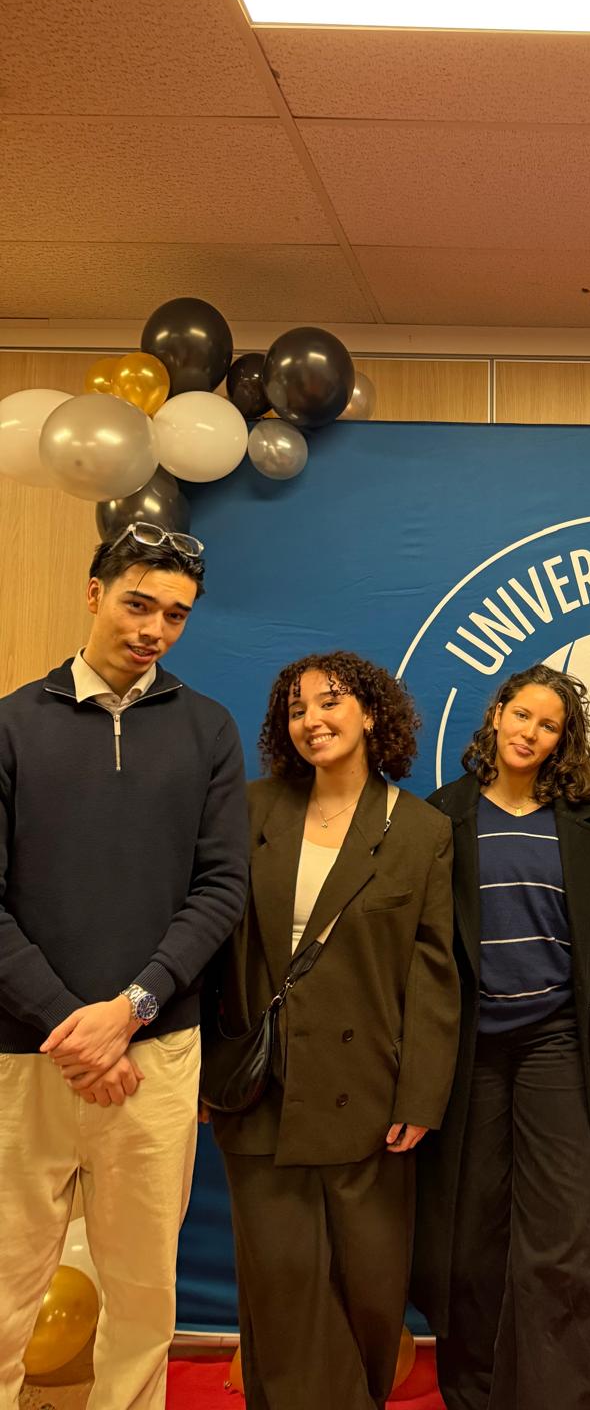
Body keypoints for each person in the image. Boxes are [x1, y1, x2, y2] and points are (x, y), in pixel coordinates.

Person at [0, 522, 248, 1410]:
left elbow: (222, 888)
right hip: (25, 1057)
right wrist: (74, 1028)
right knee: (3, 1292)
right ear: (94, 593)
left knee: (144, 1299)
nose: (153, 630)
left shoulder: (208, 729)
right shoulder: (11, 724)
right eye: (139, 605)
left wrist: (129, 1012)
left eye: (175, 615)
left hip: (155, 1053)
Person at [208, 651, 459, 1410]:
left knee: (370, 1290)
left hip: (370, 1096)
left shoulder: (421, 829)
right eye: (296, 709)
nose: (312, 720)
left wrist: (420, 1095)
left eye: (330, 702)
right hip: (262, 1087)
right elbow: (211, 942)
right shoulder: (250, 809)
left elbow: (434, 973)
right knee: (282, 1289)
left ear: (372, 714)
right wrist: (201, 1071)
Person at [411, 663, 590, 1410]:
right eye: (522, 715)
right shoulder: (443, 814)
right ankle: (474, 1391)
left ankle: (558, 1397)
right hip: (470, 1049)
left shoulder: (589, 821)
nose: (531, 732)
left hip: (555, 1040)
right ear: (497, 714)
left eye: (549, 725)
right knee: (470, 1227)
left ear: (564, 741)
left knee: (561, 1230)